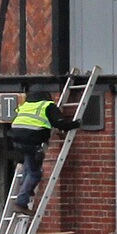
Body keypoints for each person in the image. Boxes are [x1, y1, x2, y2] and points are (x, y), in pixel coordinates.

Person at [8, 84, 73, 217]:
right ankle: (21, 202)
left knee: (28, 165)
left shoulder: (26, 105)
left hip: (16, 139)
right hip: (32, 140)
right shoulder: (48, 106)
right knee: (35, 173)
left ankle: (26, 187)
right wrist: (76, 123)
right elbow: (60, 124)